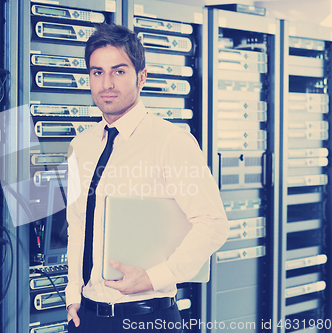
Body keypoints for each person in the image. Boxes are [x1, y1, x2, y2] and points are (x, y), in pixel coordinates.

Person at [64, 23, 230, 332]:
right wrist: (73, 292)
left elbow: (214, 223)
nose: (107, 83)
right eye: (97, 72)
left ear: (141, 77)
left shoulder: (171, 142)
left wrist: (154, 278)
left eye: (119, 71)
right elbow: (77, 224)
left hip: (147, 318)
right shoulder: (80, 146)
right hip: (85, 318)